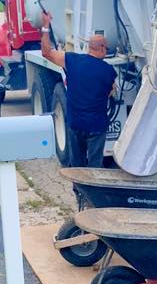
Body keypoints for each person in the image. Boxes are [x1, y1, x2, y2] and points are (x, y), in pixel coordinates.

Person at [39, 11, 116, 167]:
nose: (106, 51)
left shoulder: (72, 61)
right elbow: (111, 92)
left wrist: (46, 26)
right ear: (101, 48)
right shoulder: (108, 71)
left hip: (76, 123)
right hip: (96, 125)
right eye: (106, 48)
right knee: (95, 165)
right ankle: (92, 190)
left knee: (77, 163)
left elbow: (46, 52)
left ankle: (78, 190)